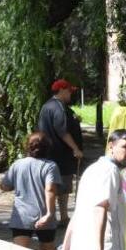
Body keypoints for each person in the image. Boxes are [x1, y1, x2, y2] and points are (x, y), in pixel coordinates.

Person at [0, 131, 63, 250]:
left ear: (28, 146)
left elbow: (5, 186)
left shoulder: (17, 164)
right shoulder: (50, 166)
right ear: (48, 147)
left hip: (21, 217)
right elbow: (50, 189)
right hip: (44, 216)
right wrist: (49, 214)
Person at [37, 79, 84, 222]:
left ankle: (56, 215)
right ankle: (63, 216)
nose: (71, 93)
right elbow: (62, 131)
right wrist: (75, 149)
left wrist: (75, 120)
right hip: (60, 155)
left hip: (50, 154)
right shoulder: (59, 107)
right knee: (62, 187)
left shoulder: (48, 106)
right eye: (69, 90)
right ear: (62, 90)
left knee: (53, 185)